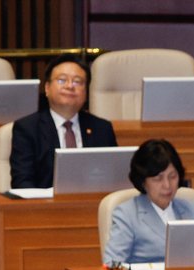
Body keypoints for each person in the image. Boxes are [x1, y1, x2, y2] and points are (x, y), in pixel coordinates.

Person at [9, 54, 117, 189]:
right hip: (44, 207)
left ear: (85, 92)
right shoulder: (27, 129)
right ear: (47, 88)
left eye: (78, 81)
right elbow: (22, 183)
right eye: (62, 80)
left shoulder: (102, 128)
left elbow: (113, 179)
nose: (70, 86)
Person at [102, 139, 194, 266]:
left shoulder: (191, 209)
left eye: (172, 177)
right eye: (158, 179)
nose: (167, 185)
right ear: (143, 181)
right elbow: (111, 264)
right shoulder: (127, 214)